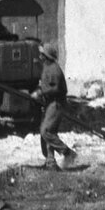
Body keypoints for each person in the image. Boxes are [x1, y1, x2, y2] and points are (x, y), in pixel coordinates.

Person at [31, 42, 77, 170]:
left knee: (46, 131)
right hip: (49, 103)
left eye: (42, 54)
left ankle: (68, 153)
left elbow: (56, 89)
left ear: (46, 56)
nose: (40, 56)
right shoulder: (47, 67)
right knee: (48, 133)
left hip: (56, 104)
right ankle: (50, 163)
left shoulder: (54, 70)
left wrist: (41, 93)